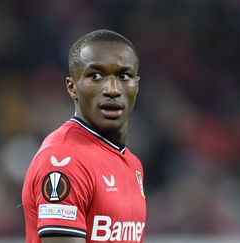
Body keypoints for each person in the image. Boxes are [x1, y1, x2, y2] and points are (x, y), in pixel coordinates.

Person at [22, 29, 146, 243]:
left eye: (123, 76)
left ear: (136, 85)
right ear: (72, 88)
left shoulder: (133, 164)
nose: (112, 89)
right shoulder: (63, 160)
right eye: (96, 76)